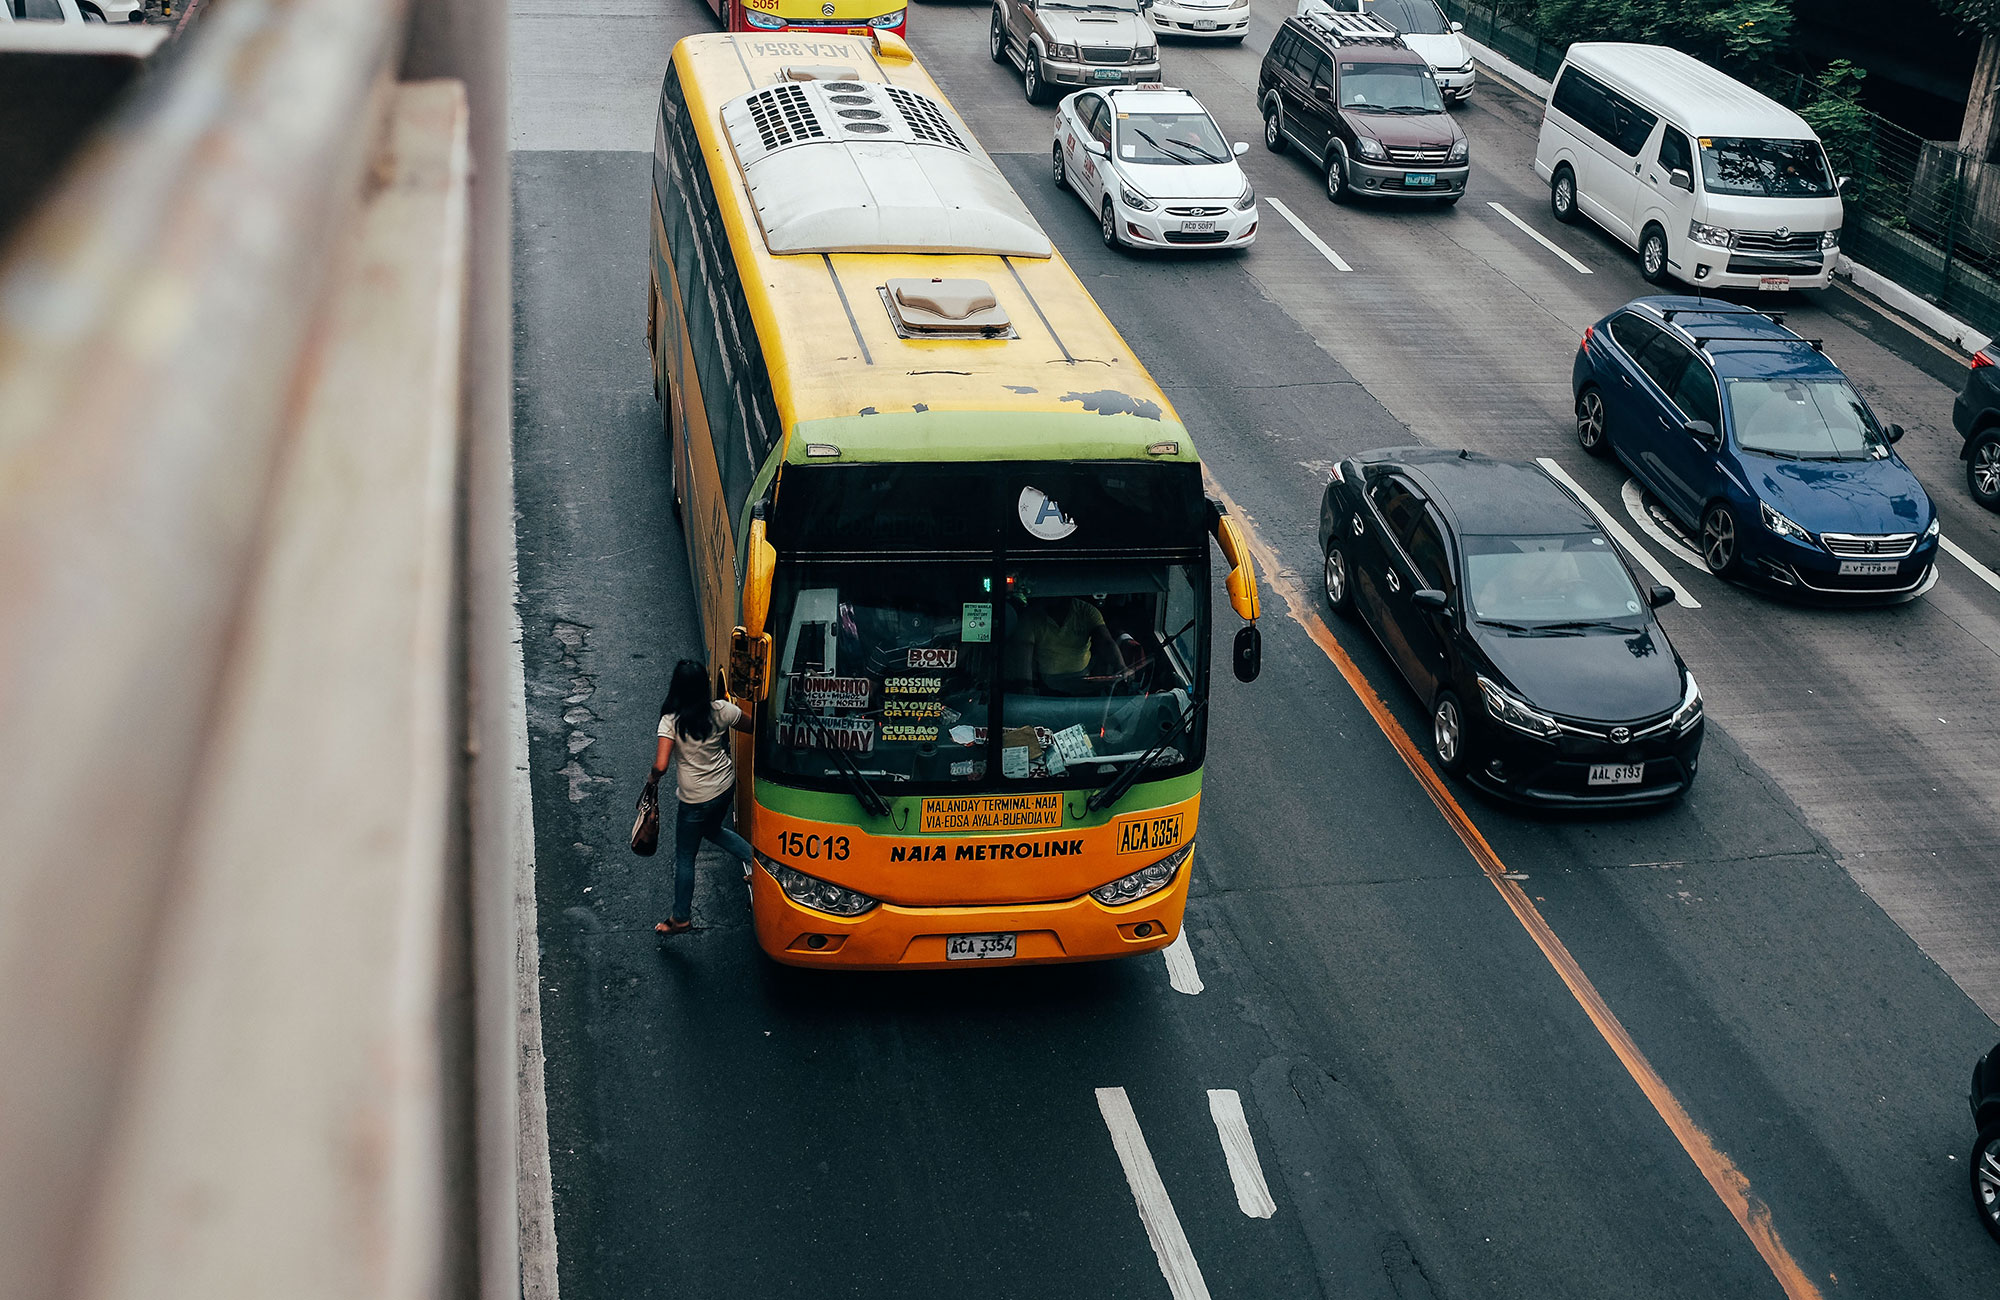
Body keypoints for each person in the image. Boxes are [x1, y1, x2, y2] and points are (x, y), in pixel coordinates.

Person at [647, 659, 754, 936]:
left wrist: (651, 780)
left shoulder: (671, 721)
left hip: (694, 798)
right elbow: (752, 726)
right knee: (713, 829)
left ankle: (681, 917)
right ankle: (759, 865)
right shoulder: (723, 711)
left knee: (685, 856)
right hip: (723, 787)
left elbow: (660, 765)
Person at [1013, 594, 1131, 695]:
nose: (1056, 599)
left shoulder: (1087, 612)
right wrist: (1027, 686)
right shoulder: (1031, 617)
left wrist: (1121, 667)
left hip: (1083, 679)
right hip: (1048, 682)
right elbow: (1024, 653)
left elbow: (1105, 642)